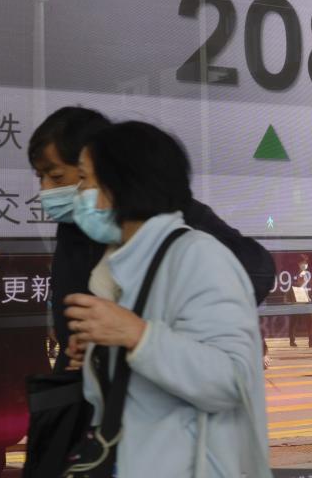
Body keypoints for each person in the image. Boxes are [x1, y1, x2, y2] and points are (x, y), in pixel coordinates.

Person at [63, 121, 268, 476]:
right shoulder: (120, 263)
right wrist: (99, 356)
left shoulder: (199, 256)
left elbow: (232, 381)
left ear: (119, 184)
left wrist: (136, 336)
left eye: (84, 179)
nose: (78, 192)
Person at [28, 107, 275, 371]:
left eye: (56, 176)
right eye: (40, 177)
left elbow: (222, 378)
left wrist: (138, 336)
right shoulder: (77, 227)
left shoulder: (188, 237)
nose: (44, 190)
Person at [289, 255, 312, 347]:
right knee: (294, 319)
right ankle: (292, 340)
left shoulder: (306, 273)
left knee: (310, 319)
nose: (305, 265)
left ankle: (311, 340)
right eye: (303, 263)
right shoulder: (300, 274)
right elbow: (301, 286)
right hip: (299, 297)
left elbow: (307, 287)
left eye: (306, 263)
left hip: (305, 298)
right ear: (299, 264)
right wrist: (307, 296)